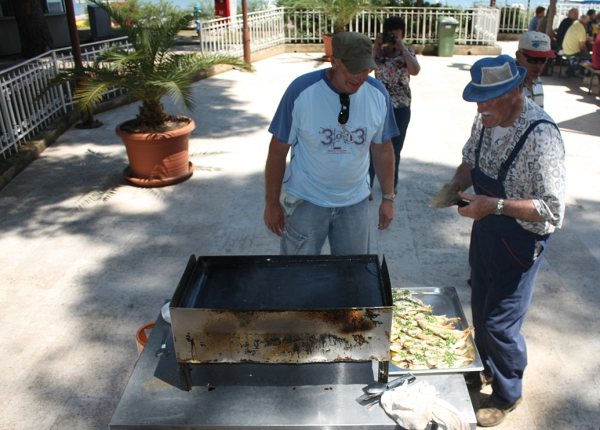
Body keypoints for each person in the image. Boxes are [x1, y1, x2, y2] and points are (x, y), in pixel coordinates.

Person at [442, 55, 565, 427]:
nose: (481, 106)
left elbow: (551, 210)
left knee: (499, 323)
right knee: (479, 304)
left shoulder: (541, 135)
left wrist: (492, 204)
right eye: (478, 97)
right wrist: (456, 184)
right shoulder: (485, 119)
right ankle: (483, 365)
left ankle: (508, 393)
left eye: (490, 97)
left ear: (515, 91)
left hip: (521, 239)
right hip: (487, 229)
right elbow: (469, 160)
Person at [264, 32, 398, 256]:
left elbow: (383, 149)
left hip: (355, 203)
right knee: (297, 275)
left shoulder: (378, 94)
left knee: (353, 277)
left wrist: (388, 198)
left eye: (366, 69)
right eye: (353, 69)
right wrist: (271, 203)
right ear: (334, 61)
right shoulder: (300, 92)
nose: (361, 77)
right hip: (306, 201)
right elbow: (277, 151)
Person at [369, 16, 420, 195]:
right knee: (372, 146)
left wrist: (403, 48)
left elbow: (415, 70)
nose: (393, 40)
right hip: (377, 107)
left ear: (403, 35)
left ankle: (391, 186)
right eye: (391, 35)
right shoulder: (378, 53)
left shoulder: (408, 52)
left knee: (395, 149)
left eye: (397, 36)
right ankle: (367, 184)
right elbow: (365, 69)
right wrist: (376, 46)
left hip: (401, 107)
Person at [515, 31, 555, 108]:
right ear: (519, 56)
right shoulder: (507, 83)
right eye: (533, 60)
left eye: (543, 60)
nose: (538, 66)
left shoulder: (535, 78)